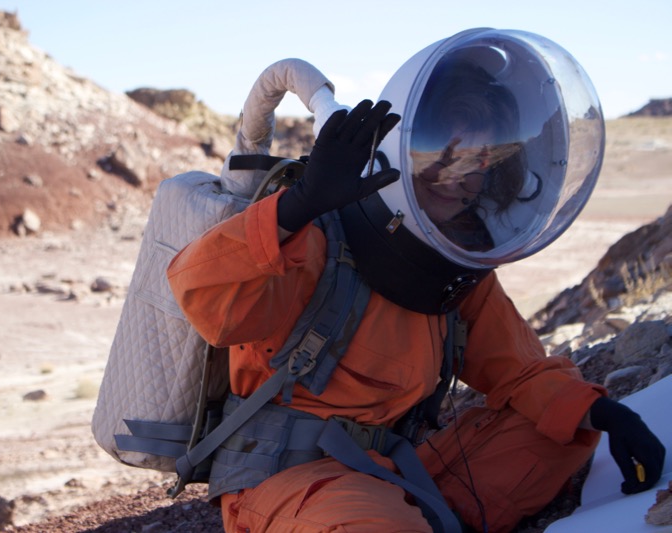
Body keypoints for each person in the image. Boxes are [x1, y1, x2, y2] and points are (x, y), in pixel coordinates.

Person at [167, 32, 665, 533]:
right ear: (398, 147)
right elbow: (204, 296)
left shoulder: (455, 263)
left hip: (397, 469)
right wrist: (301, 206)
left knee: (562, 429)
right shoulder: (317, 234)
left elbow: (519, 372)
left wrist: (605, 414)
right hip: (291, 477)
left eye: (479, 158)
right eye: (436, 150)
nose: (456, 175)